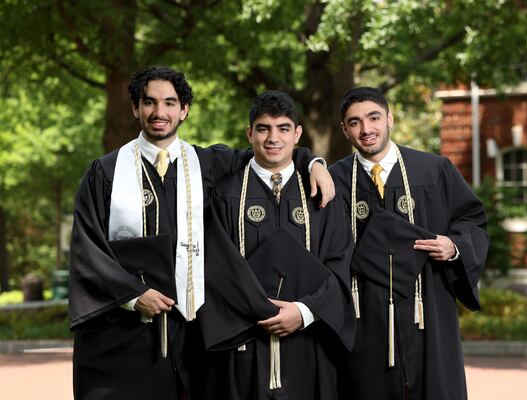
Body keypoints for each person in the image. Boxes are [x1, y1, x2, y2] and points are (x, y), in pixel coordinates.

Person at [68, 66, 335, 400]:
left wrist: (313, 162)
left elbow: (269, 151)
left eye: (169, 103)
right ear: (135, 108)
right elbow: (86, 248)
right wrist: (134, 295)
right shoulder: (105, 172)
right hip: (123, 335)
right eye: (149, 102)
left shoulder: (205, 163)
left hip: (190, 334)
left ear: (184, 110)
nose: (159, 112)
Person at [329, 87, 489, 400]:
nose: (366, 129)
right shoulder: (333, 180)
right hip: (364, 315)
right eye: (355, 122)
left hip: (426, 307)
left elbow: (472, 220)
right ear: (344, 130)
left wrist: (454, 245)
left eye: (374, 117)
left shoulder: (433, 170)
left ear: (389, 118)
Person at [196, 90, 355, 400]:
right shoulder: (225, 194)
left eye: (283, 128)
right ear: (249, 133)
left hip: (308, 343)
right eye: (263, 128)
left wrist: (305, 310)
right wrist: (260, 311)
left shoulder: (321, 194)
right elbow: (215, 267)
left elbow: (340, 262)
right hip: (243, 345)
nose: (273, 138)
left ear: (297, 134)